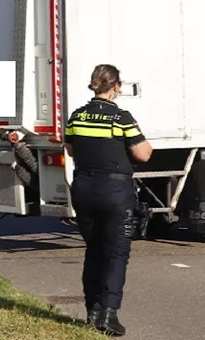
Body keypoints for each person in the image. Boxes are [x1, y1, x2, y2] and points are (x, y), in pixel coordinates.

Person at [63, 64, 153, 336]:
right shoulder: (121, 118)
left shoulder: (77, 116)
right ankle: (109, 315)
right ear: (116, 86)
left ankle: (92, 311)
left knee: (94, 250)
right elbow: (144, 154)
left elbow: (69, 148)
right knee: (116, 253)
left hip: (84, 190)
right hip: (115, 193)